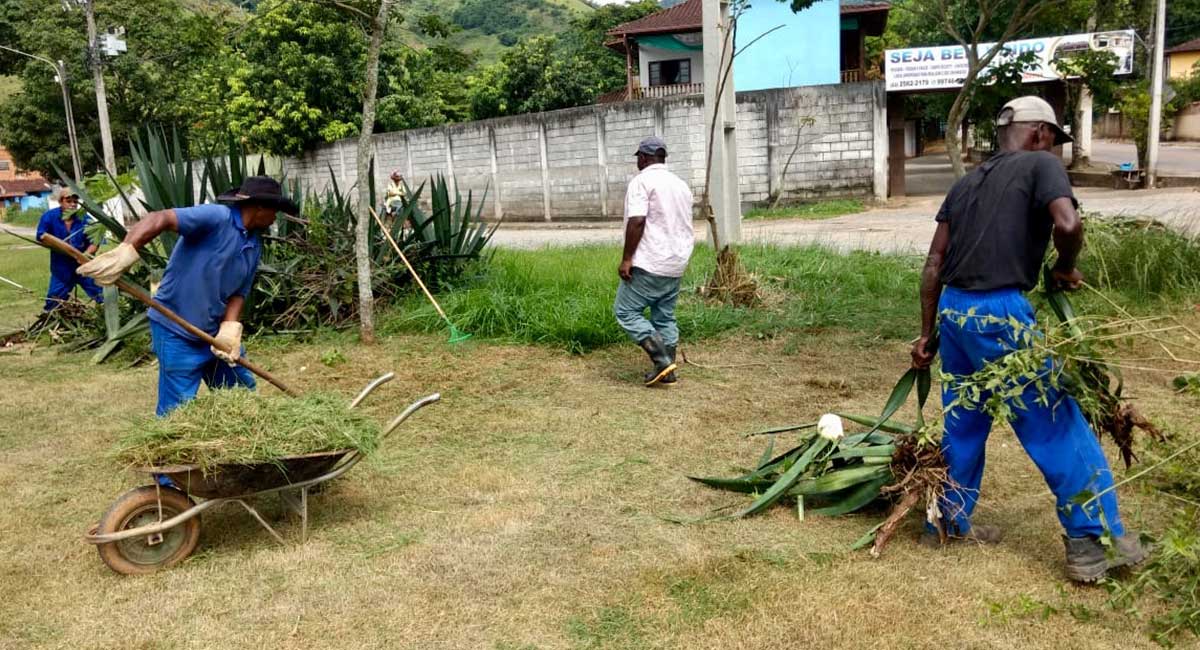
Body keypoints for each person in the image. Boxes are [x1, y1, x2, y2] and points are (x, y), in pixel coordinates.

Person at [911, 96, 1147, 582]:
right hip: (1001, 314)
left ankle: (946, 523)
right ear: (1039, 133)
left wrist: (926, 333)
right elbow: (1068, 223)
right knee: (1054, 420)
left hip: (955, 312)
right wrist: (1063, 267)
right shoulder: (1040, 164)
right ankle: (1093, 538)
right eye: (1056, 140)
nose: (1056, 151)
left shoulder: (966, 182)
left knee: (964, 420)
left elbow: (934, 263)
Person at [78, 177, 299, 416]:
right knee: (178, 412)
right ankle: (167, 451)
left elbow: (238, 292)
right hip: (176, 329)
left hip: (214, 335)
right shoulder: (217, 218)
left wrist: (229, 329)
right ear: (259, 207)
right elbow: (159, 218)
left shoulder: (253, 245)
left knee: (243, 399)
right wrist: (126, 251)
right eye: (275, 211)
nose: (275, 218)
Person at [614, 136, 695, 387]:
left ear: (645, 157)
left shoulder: (642, 182)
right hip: (676, 262)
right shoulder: (680, 184)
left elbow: (637, 221)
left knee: (625, 311)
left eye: (638, 156)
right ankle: (668, 370)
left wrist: (627, 258)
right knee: (664, 316)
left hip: (651, 261)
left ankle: (661, 360)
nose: (637, 161)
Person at [35, 186, 104, 311]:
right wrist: (63, 247)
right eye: (68, 201)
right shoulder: (49, 217)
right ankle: (50, 322)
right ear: (60, 201)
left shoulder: (85, 219)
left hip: (83, 266)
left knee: (102, 296)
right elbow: (41, 236)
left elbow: (96, 240)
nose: (73, 204)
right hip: (61, 268)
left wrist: (86, 254)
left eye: (75, 201)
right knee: (54, 302)